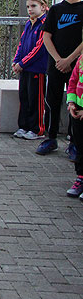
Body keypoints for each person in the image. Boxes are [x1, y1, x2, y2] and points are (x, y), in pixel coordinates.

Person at [36, 0, 83, 156]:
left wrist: (69, 60)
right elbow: (46, 37)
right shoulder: (56, 10)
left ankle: (74, 142)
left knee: (75, 103)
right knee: (52, 101)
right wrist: (58, 60)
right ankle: (51, 137)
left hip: (76, 66)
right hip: (55, 64)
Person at [12, 0, 49, 140]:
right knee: (24, 97)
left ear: (43, 7)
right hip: (25, 67)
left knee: (36, 99)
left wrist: (23, 63)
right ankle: (24, 125)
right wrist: (16, 60)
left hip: (37, 68)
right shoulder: (29, 23)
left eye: (33, 6)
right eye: (28, 7)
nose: (30, 9)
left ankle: (37, 128)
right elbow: (22, 44)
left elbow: (40, 48)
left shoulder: (45, 24)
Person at [65, 54, 83, 200]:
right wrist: (71, 103)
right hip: (77, 109)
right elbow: (73, 81)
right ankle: (81, 177)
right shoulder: (81, 59)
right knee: (79, 145)